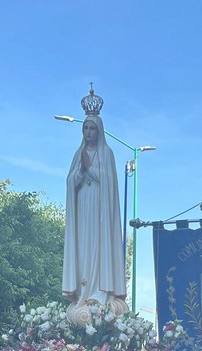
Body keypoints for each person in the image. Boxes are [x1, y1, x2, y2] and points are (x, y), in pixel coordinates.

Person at [61, 87, 126, 313]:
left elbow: (110, 183)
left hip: (100, 210)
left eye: (92, 128)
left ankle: (99, 290)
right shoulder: (77, 154)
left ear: (99, 131)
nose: (88, 132)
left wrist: (91, 171)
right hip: (83, 208)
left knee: (98, 245)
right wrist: (81, 172)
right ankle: (82, 291)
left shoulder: (107, 154)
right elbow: (71, 182)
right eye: (85, 128)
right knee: (82, 247)